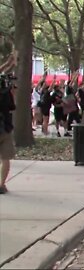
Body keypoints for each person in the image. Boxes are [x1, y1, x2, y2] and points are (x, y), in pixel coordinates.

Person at [0, 51, 17, 194]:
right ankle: (2, 184)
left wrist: (8, 63)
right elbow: (13, 106)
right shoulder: (6, 94)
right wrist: (10, 62)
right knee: (5, 158)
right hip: (5, 127)